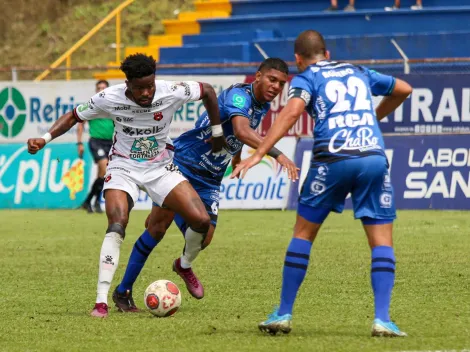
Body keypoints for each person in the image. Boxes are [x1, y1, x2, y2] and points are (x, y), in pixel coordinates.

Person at [232, 30, 412, 337]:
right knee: (381, 240)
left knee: (303, 233)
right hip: (372, 156)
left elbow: (291, 112)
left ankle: (283, 314)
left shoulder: (306, 78)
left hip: (333, 158)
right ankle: (383, 318)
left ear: (298, 59)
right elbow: (404, 89)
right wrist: (372, 116)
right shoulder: (357, 71)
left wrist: (259, 152)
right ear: (327, 54)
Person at [26, 53, 227, 318]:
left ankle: (184, 264)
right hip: (124, 168)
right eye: (139, 87)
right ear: (127, 84)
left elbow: (209, 92)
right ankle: (101, 302)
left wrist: (217, 132)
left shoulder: (171, 91)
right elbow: (74, 116)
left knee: (201, 221)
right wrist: (44, 138)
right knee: (117, 223)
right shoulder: (110, 97)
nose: (146, 93)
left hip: (160, 169)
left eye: (150, 86)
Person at [112, 58, 299, 311]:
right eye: (272, 80)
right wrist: (279, 154)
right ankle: (123, 291)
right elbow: (242, 131)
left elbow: (236, 135)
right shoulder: (239, 96)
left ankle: (183, 265)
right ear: (258, 76)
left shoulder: (261, 106)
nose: (276, 87)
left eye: (281, 83)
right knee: (156, 229)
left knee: (205, 236)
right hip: (184, 163)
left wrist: (236, 156)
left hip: (210, 177)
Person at [77, 80, 113, 213]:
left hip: (110, 143)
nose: (101, 90)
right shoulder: (92, 106)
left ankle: (91, 202)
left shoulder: (113, 106)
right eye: (99, 88)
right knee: (104, 169)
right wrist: (79, 143)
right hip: (96, 141)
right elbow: (80, 123)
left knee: (102, 174)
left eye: (104, 88)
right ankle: (92, 202)